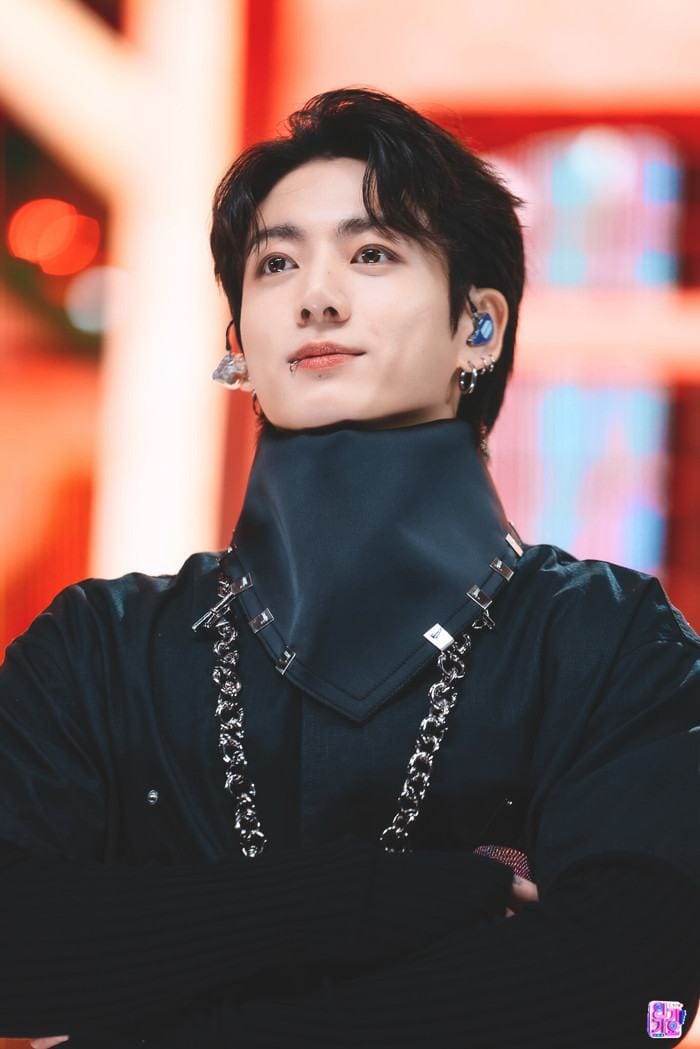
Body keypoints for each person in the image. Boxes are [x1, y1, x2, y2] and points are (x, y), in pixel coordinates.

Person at [1, 87, 698, 1049]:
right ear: (239, 344)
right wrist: (371, 900)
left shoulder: (612, 642)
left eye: (372, 253)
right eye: (276, 262)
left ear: (479, 326)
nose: (316, 297)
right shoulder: (99, 649)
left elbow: (645, 1000)